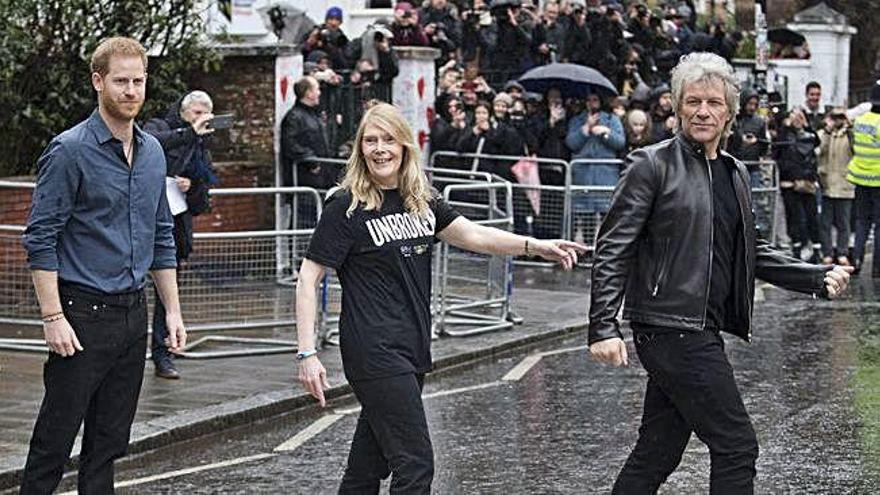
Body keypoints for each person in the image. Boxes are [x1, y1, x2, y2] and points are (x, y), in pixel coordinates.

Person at [588, 52, 852, 494]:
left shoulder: (733, 172)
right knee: (735, 445)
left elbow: (751, 249)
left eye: (713, 102)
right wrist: (602, 327)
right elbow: (613, 248)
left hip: (698, 327)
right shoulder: (651, 165)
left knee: (657, 452)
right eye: (692, 101)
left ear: (729, 110)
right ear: (676, 107)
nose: (702, 111)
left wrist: (814, 276)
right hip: (670, 327)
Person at [294, 102, 586, 493]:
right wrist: (307, 354)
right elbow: (308, 278)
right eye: (371, 140)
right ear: (360, 148)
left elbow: (476, 235)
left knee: (369, 463)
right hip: (374, 350)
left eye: (388, 140)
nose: (380, 149)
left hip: (412, 346)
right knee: (415, 465)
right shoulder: (345, 206)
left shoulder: (420, 199)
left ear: (404, 146)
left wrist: (536, 245)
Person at [19, 36, 187, 494]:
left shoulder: (153, 151)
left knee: (109, 446)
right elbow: (40, 238)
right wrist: (53, 317)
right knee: (54, 443)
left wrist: (171, 310)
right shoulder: (69, 150)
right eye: (121, 81)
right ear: (98, 82)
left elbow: (162, 236)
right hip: (80, 315)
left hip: (134, 316)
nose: (131, 91)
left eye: (138, 81)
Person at [144, 90, 219, 379]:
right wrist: (188, 133)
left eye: (205, 115)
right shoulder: (161, 127)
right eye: (196, 114)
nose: (201, 120)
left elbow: (202, 203)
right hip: (145, 221)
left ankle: (163, 354)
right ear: (184, 113)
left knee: (167, 295)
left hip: (175, 228)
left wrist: (193, 188)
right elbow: (151, 146)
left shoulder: (202, 149)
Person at [280, 76, 337, 228]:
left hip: (321, 177)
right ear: (308, 93)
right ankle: (298, 251)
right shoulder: (294, 117)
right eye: (317, 89)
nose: (319, 93)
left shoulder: (314, 115)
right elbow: (290, 144)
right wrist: (310, 160)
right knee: (304, 220)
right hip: (306, 178)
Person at [774, 108, 822, 262]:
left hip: (807, 182)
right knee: (794, 217)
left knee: (811, 217)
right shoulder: (785, 135)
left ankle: (815, 248)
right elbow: (777, 150)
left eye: (799, 116)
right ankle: (797, 248)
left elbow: (815, 142)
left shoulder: (809, 135)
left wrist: (806, 126)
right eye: (793, 116)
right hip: (789, 182)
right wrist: (786, 126)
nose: (796, 119)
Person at [847, 80, 880, 276]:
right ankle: (877, 267)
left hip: (860, 178)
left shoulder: (861, 121)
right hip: (878, 181)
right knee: (879, 225)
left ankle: (857, 261)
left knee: (861, 222)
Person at [817, 107, 855, 266]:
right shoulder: (824, 133)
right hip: (827, 185)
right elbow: (819, 151)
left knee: (843, 223)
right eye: (835, 117)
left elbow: (856, 149)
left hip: (844, 185)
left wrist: (849, 126)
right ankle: (827, 252)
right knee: (825, 223)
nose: (838, 120)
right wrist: (827, 129)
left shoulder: (850, 135)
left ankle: (842, 252)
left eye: (841, 117)